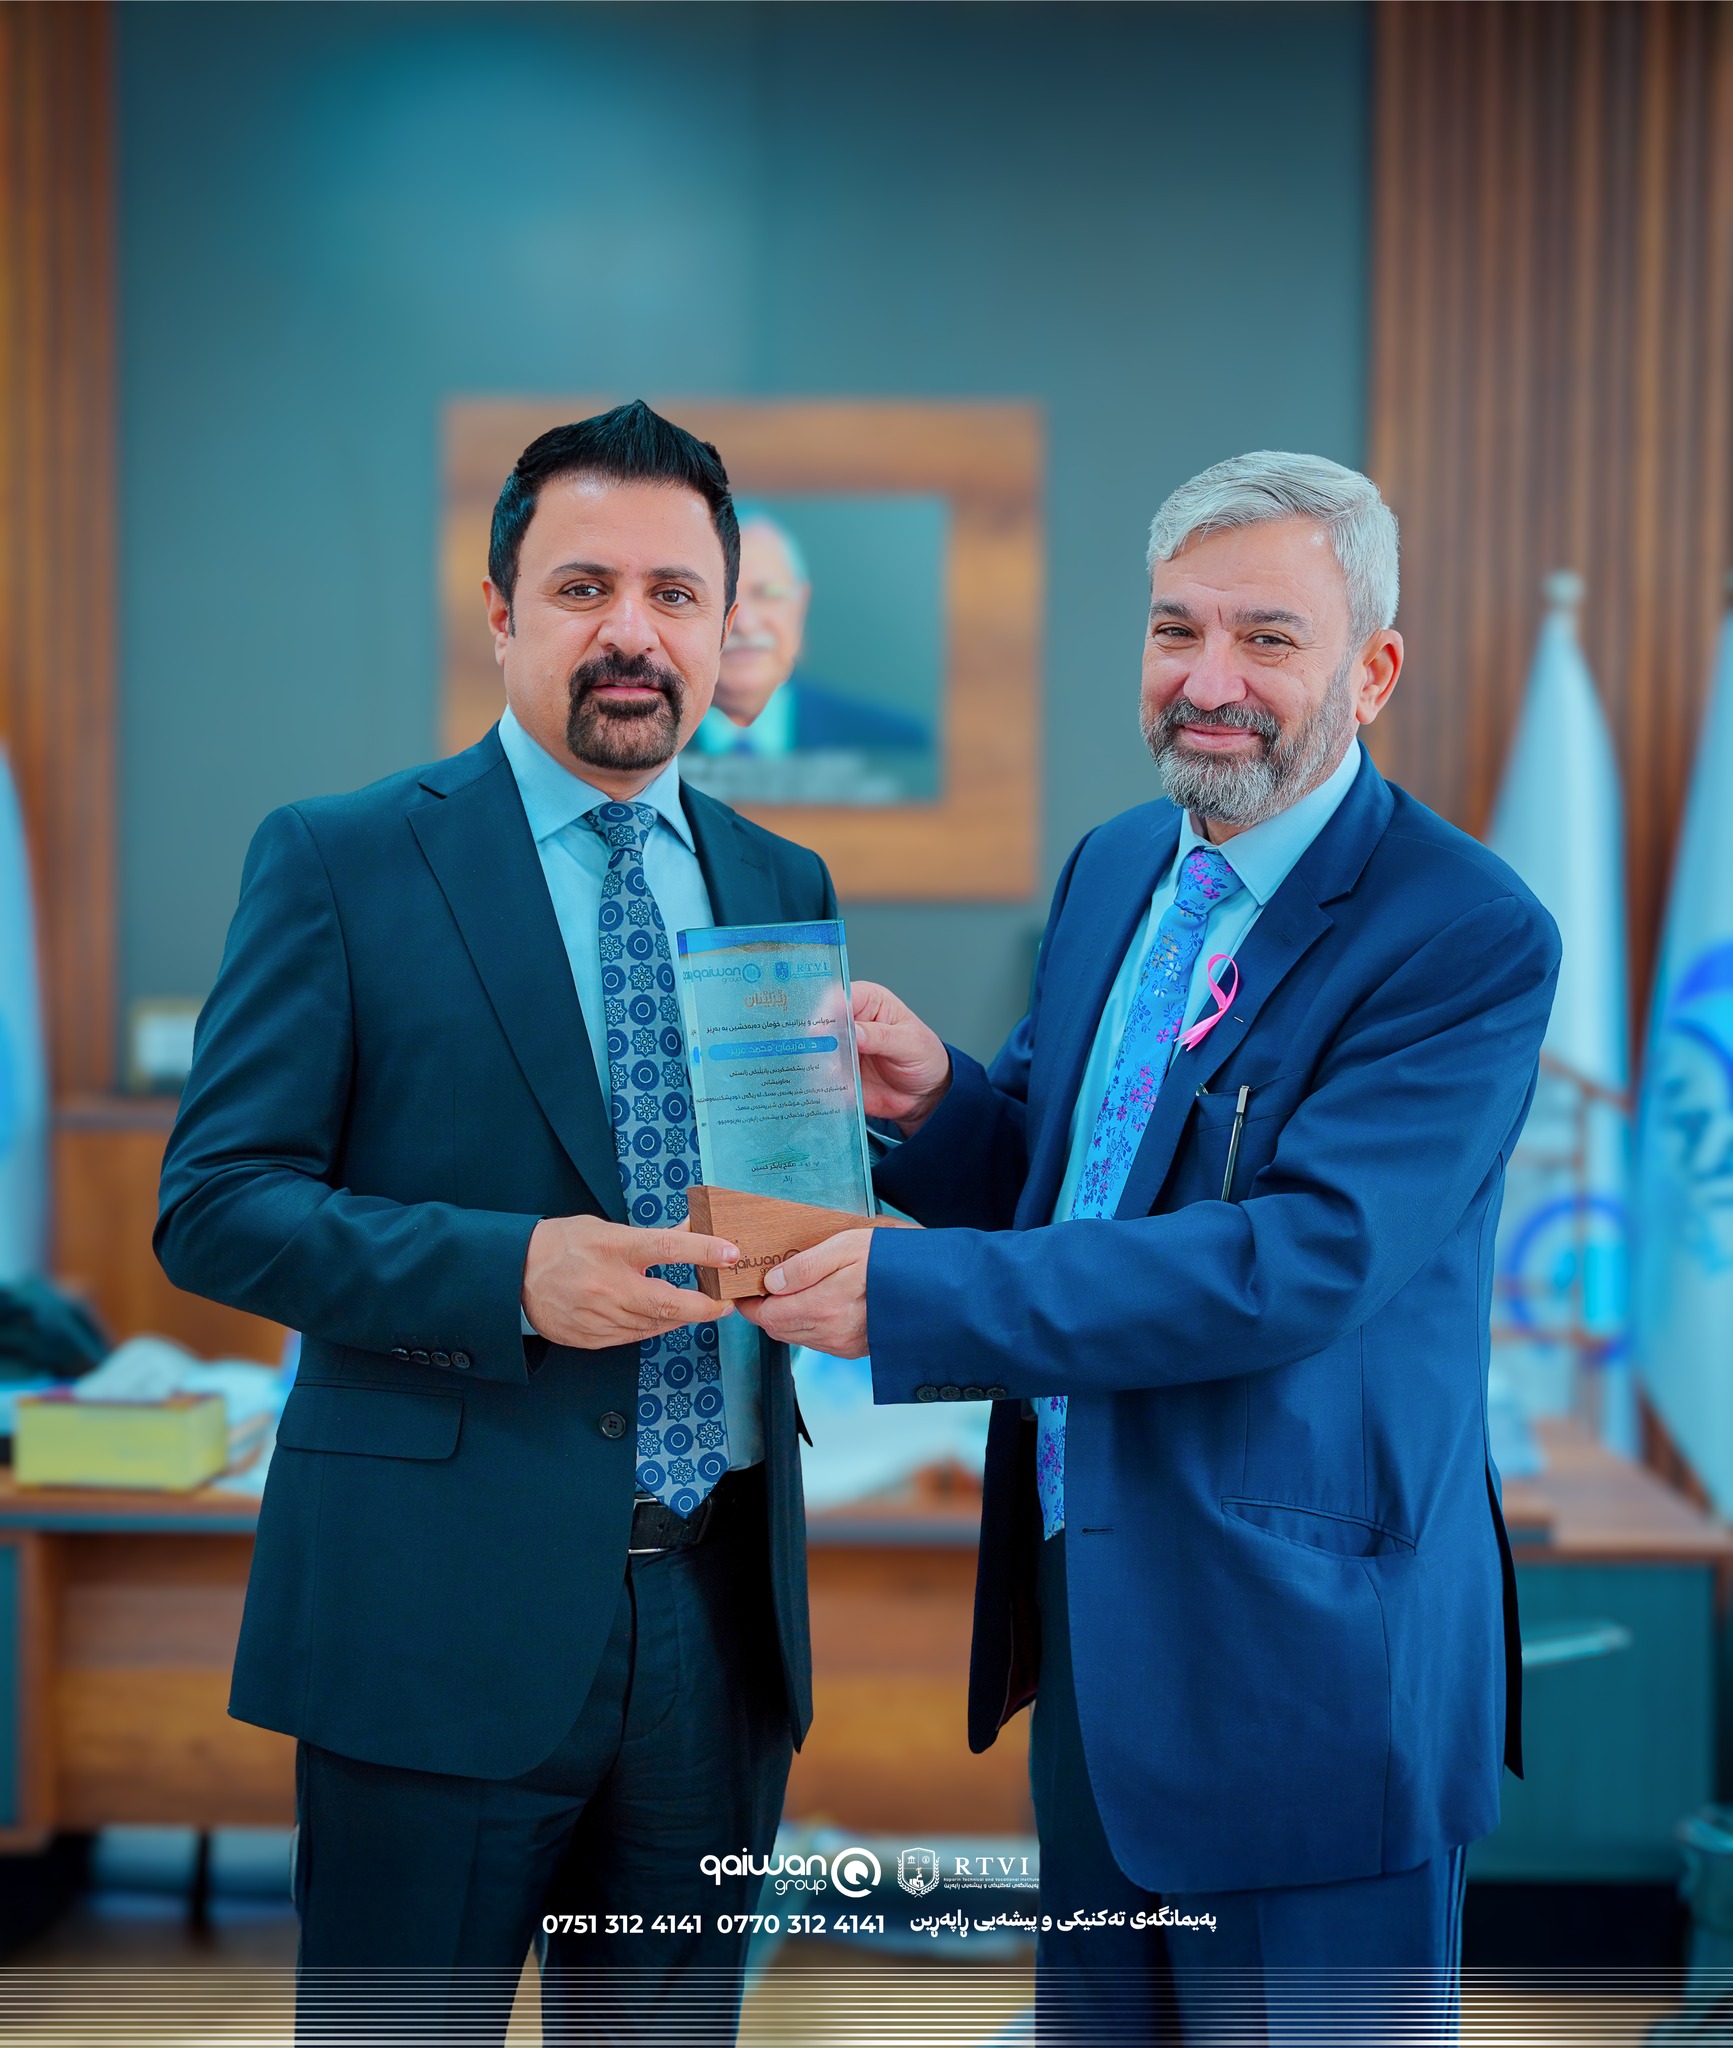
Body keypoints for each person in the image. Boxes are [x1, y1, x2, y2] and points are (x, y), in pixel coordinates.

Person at [741, 453, 1560, 2042]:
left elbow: (1291, 1262)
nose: (1208, 679)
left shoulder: (1464, 930)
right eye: (1176, 628)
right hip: (1094, 1622)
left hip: (1308, 1671)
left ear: (1373, 671)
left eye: (1267, 637)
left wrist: (911, 1297)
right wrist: (939, 1104)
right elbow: (1071, 1177)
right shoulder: (1120, 864)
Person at [156, 402, 836, 2043]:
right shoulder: (341, 859)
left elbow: (783, 1193)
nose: (632, 632)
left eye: (675, 594)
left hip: (717, 1617)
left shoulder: (781, 882)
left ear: (724, 627)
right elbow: (216, 1205)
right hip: (430, 1619)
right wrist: (512, 1273)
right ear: (500, 611)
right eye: (584, 586)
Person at [689, 507, 930, 758]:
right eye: (723, 595)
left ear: (800, 605)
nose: (745, 623)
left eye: (767, 593)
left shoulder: (901, 747)